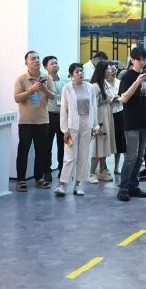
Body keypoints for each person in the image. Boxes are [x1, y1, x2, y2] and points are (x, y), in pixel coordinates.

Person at [117, 46, 146, 202]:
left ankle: (133, 185)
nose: (142, 62)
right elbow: (124, 98)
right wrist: (137, 82)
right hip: (131, 121)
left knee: (140, 156)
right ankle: (123, 187)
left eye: (144, 59)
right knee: (131, 156)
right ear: (132, 60)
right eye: (139, 59)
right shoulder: (127, 76)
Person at [13, 50, 54, 191]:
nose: (36, 60)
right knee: (23, 151)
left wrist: (44, 89)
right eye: (32, 59)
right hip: (26, 122)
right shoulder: (21, 79)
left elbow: (53, 97)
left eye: (37, 58)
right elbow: (17, 98)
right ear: (26, 63)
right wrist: (31, 90)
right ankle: (20, 180)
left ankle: (39, 178)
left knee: (41, 151)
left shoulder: (46, 78)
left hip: (43, 121)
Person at [58, 63, 98, 197]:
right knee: (69, 156)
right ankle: (62, 184)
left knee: (83, 156)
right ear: (72, 75)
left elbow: (94, 107)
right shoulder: (67, 88)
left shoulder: (90, 87)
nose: (80, 73)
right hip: (72, 126)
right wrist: (65, 130)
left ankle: (78, 185)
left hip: (87, 124)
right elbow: (63, 110)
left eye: (81, 71)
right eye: (77, 71)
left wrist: (95, 126)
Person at [89, 60, 119, 183]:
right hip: (100, 117)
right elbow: (92, 106)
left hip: (107, 115)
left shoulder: (105, 84)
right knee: (98, 145)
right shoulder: (95, 86)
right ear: (102, 71)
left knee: (104, 145)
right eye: (108, 69)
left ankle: (102, 171)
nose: (111, 71)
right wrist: (95, 123)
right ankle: (91, 173)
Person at [43, 56, 66, 183]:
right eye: (52, 63)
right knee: (47, 145)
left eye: (56, 63)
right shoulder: (43, 81)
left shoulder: (65, 80)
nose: (55, 65)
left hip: (62, 116)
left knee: (63, 144)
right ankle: (47, 171)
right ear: (46, 67)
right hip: (49, 115)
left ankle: (63, 169)